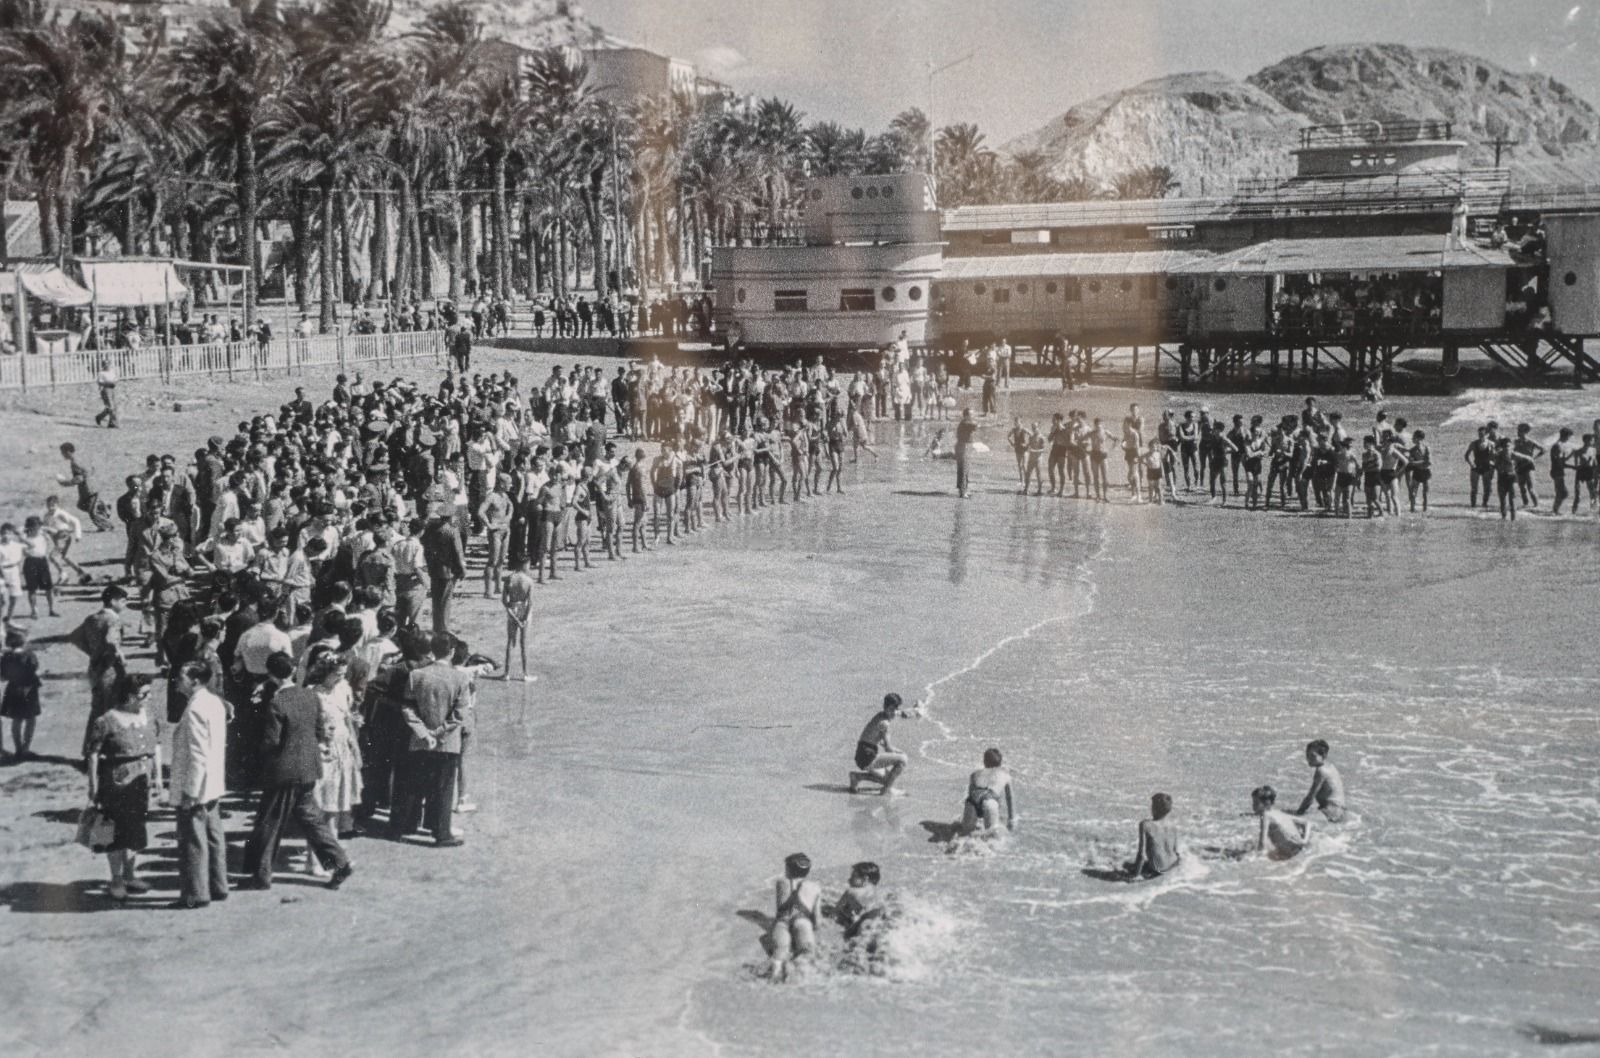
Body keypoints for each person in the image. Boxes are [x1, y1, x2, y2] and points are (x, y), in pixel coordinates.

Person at [239, 654, 354, 891]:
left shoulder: (276, 703)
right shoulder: (309, 695)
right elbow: (320, 728)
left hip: (283, 771)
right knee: (312, 821)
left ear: (271, 675)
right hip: (309, 768)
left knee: (269, 823)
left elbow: (271, 741)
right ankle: (340, 862)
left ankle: (260, 875)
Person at [84, 675, 160, 900]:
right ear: (128, 696)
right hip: (114, 782)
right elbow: (93, 754)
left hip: (140, 781)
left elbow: (156, 746)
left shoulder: (148, 716)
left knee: (135, 829)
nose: (148, 698)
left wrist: (157, 776)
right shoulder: (107, 720)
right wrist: (92, 785)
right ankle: (115, 879)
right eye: (143, 694)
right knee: (112, 832)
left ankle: (129, 875)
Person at [393, 632, 468, 847]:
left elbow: (407, 707)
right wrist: (439, 732)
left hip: (419, 739)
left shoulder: (416, 675)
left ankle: (404, 826)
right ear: (452, 652)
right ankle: (440, 832)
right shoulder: (461, 678)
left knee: (413, 784)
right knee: (443, 788)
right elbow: (459, 715)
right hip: (447, 742)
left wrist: (424, 733)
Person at [169, 659, 231, 909]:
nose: (176, 681)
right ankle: (218, 885)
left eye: (181, 677)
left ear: (194, 681)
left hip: (197, 785)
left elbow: (197, 753)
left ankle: (196, 893)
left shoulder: (195, 709)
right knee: (214, 837)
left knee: (192, 841)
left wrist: (190, 791)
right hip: (213, 782)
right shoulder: (214, 702)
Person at [766, 852, 821, 982]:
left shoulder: (781, 883)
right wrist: (816, 928)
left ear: (788, 869)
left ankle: (776, 974)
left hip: (783, 921)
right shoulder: (815, 887)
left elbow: (779, 910)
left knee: (780, 951)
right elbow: (817, 918)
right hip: (803, 921)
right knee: (807, 952)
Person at [848, 693, 908, 796]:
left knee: (888, 778)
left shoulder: (880, 715)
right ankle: (887, 790)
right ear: (885, 707)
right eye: (891, 710)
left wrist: (905, 713)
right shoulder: (885, 723)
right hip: (868, 757)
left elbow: (873, 736)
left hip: (861, 754)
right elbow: (889, 749)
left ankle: (857, 777)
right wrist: (902, 752)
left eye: (895, 710)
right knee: (903, 760)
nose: (893, 713)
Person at [2, 627, 42, 758]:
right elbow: (34, 667)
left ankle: (18, 748)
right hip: (29, 689)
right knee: (31, 719)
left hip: (13, 689)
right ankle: (26, 748)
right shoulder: (29, 654)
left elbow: (3, 675)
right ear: (23, 641)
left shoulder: (6, 656)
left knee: (16, 719)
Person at [1124, 792, 1180, 880]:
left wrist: (1135, 875)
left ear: (1154, 809)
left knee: (1126, 866)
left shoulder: (1146, 825)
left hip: (1158, 870)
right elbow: (1176, 851)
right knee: (1130, 865)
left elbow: (1141, 855)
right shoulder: (1173, 826)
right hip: (1173, 865)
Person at [961, 747, 1016, 835]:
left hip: (972, 802)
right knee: (992, 839)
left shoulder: (974, 774)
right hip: (990, 801)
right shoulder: (1006, 775)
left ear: (984, 761)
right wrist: (1011, 819)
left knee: (965, 835)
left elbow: (970, 793)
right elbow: (1010, 799)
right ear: (1000, 763)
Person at [1252, 784, 1311, 859]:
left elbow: (1262, 843)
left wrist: (1256, 859)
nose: (1253, 806)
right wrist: (1304, 840)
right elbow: (1306, 822)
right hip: (1301, 849)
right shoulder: (1278, 812)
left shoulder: (1265, 815)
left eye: (1256, 803)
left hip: (1291, 854)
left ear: (1266, 803)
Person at [1293, 739, 1346, 822]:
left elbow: (1310, 797)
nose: (1308, 759)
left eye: (1312, 756)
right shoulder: (1330, 766)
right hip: (1339, 810)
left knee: (1298, 820)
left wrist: (1299, 812)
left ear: (1323, 756)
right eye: (1307, 755)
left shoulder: (1321, 771)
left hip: (1331, 811)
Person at [500, 557, 535, 680]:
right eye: (528, 565)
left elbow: (504, 601)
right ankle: (525, 674)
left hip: (512, 608)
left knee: (510, 642)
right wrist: (524, 619)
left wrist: (514, 617)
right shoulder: (529, 581)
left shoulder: (509, 579)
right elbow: (530, 603)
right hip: (524, 609)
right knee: (524, 643)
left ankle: (506, 673)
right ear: (524, 565)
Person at [954, 409, 977, 499]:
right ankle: (963, 491)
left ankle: (963, 489)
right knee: (964, 469)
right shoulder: (965, 423)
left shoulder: (965, 423)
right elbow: (975, 426)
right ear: (966, 415)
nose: (973, 416)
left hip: (964, 446)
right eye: (971, 414)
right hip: (964, 446)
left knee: (964, 469)